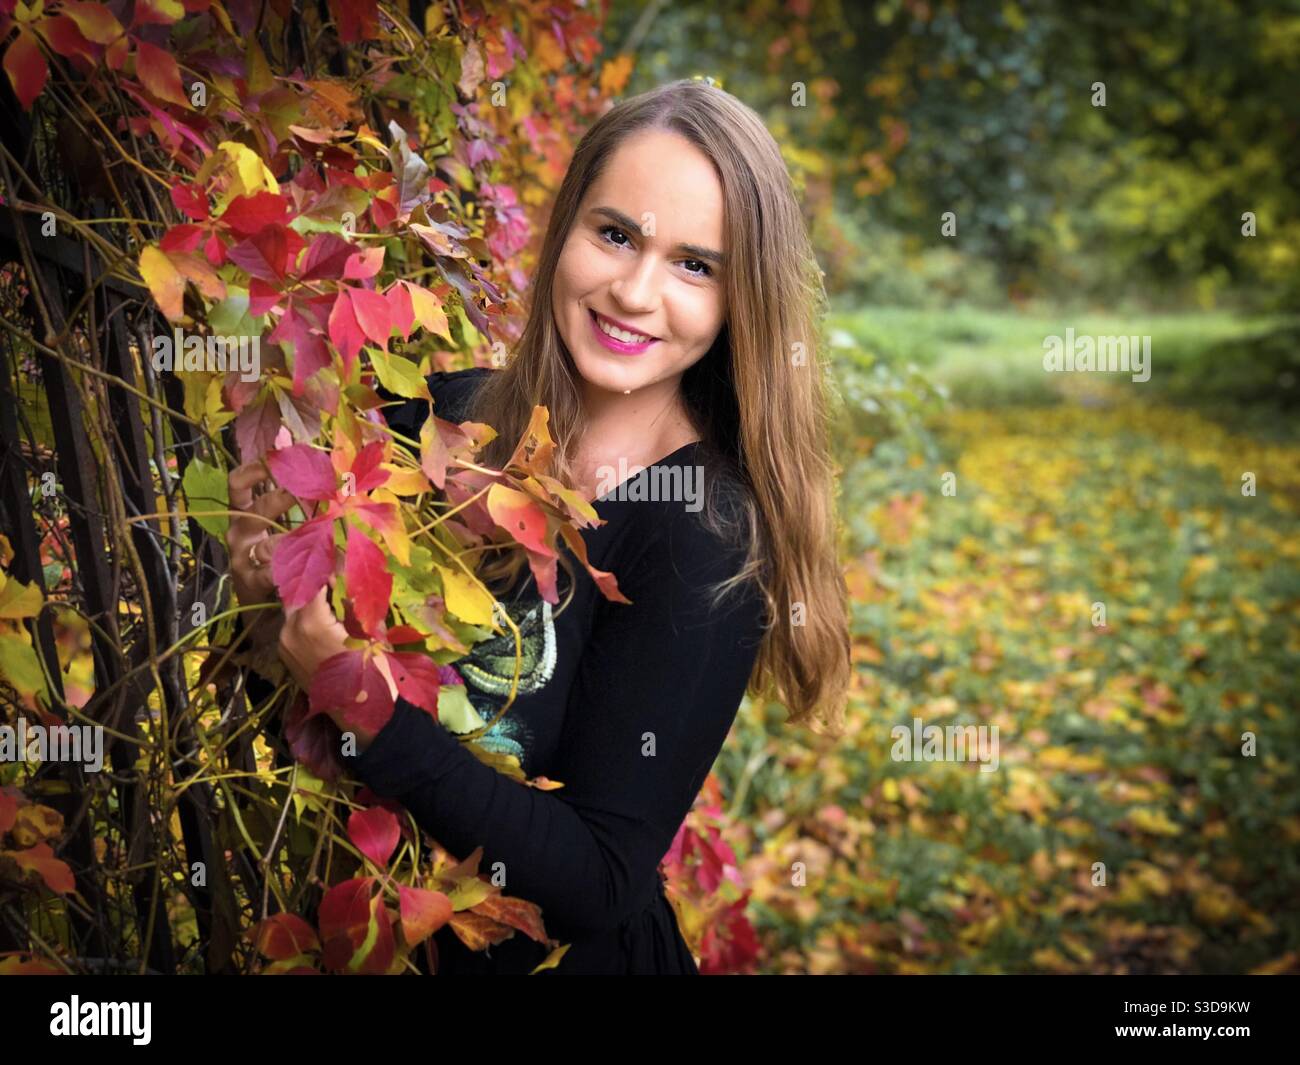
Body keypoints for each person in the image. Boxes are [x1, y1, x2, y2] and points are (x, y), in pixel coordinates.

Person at [224, 78, 850, 974]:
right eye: (617, 234)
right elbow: (311, 744)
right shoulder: (439, 421)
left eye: (695, 265)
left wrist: (361, 699)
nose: (636, 292)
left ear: (737, 300)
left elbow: (597, 878)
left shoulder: (703, 537)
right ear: (566, 231)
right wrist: (268, 603)